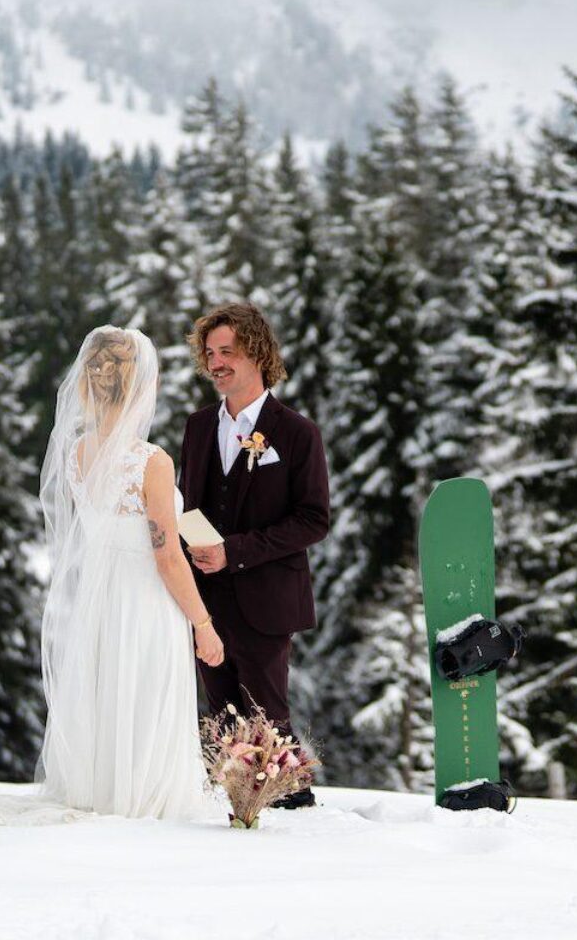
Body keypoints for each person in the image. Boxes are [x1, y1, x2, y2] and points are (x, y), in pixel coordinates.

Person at [0, 325, 222, 824]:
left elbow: (117, 525)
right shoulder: (152, 461)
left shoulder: (77, 452)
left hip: (102, 595)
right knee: (141, 692)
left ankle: (102, 788)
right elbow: (166, 556)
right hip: (146, 599)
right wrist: (203, 623)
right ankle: (139, 795)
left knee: (107, 687)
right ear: (139, 387)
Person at [179, 303, 329, 807]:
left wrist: (234, 552)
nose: (216, 362)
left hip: (266, 598)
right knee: (219, 718)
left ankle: (289, 806)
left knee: (267, 717)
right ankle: (233, 809)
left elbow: (313, 518)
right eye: (210, 353)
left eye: (228, 352)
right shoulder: (198, 427)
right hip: (205, 602)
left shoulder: (296, 432)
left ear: (258, 354)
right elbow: (190, 503)